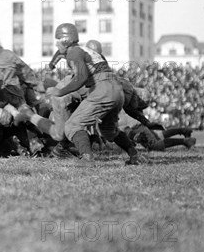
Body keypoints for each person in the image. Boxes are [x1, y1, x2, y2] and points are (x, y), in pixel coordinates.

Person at [46, 23, 142, 165]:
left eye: (57, 41)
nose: (56, 45)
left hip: (102, 88)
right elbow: (61, 53)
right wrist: (52, 64)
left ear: (65, 40)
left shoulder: (73, 53)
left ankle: (87, 159)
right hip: (116, 88)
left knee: (72, 125)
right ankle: (135, 155)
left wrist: (59, 91)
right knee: (108, 130)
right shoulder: (83, 50)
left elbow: (81, 77)